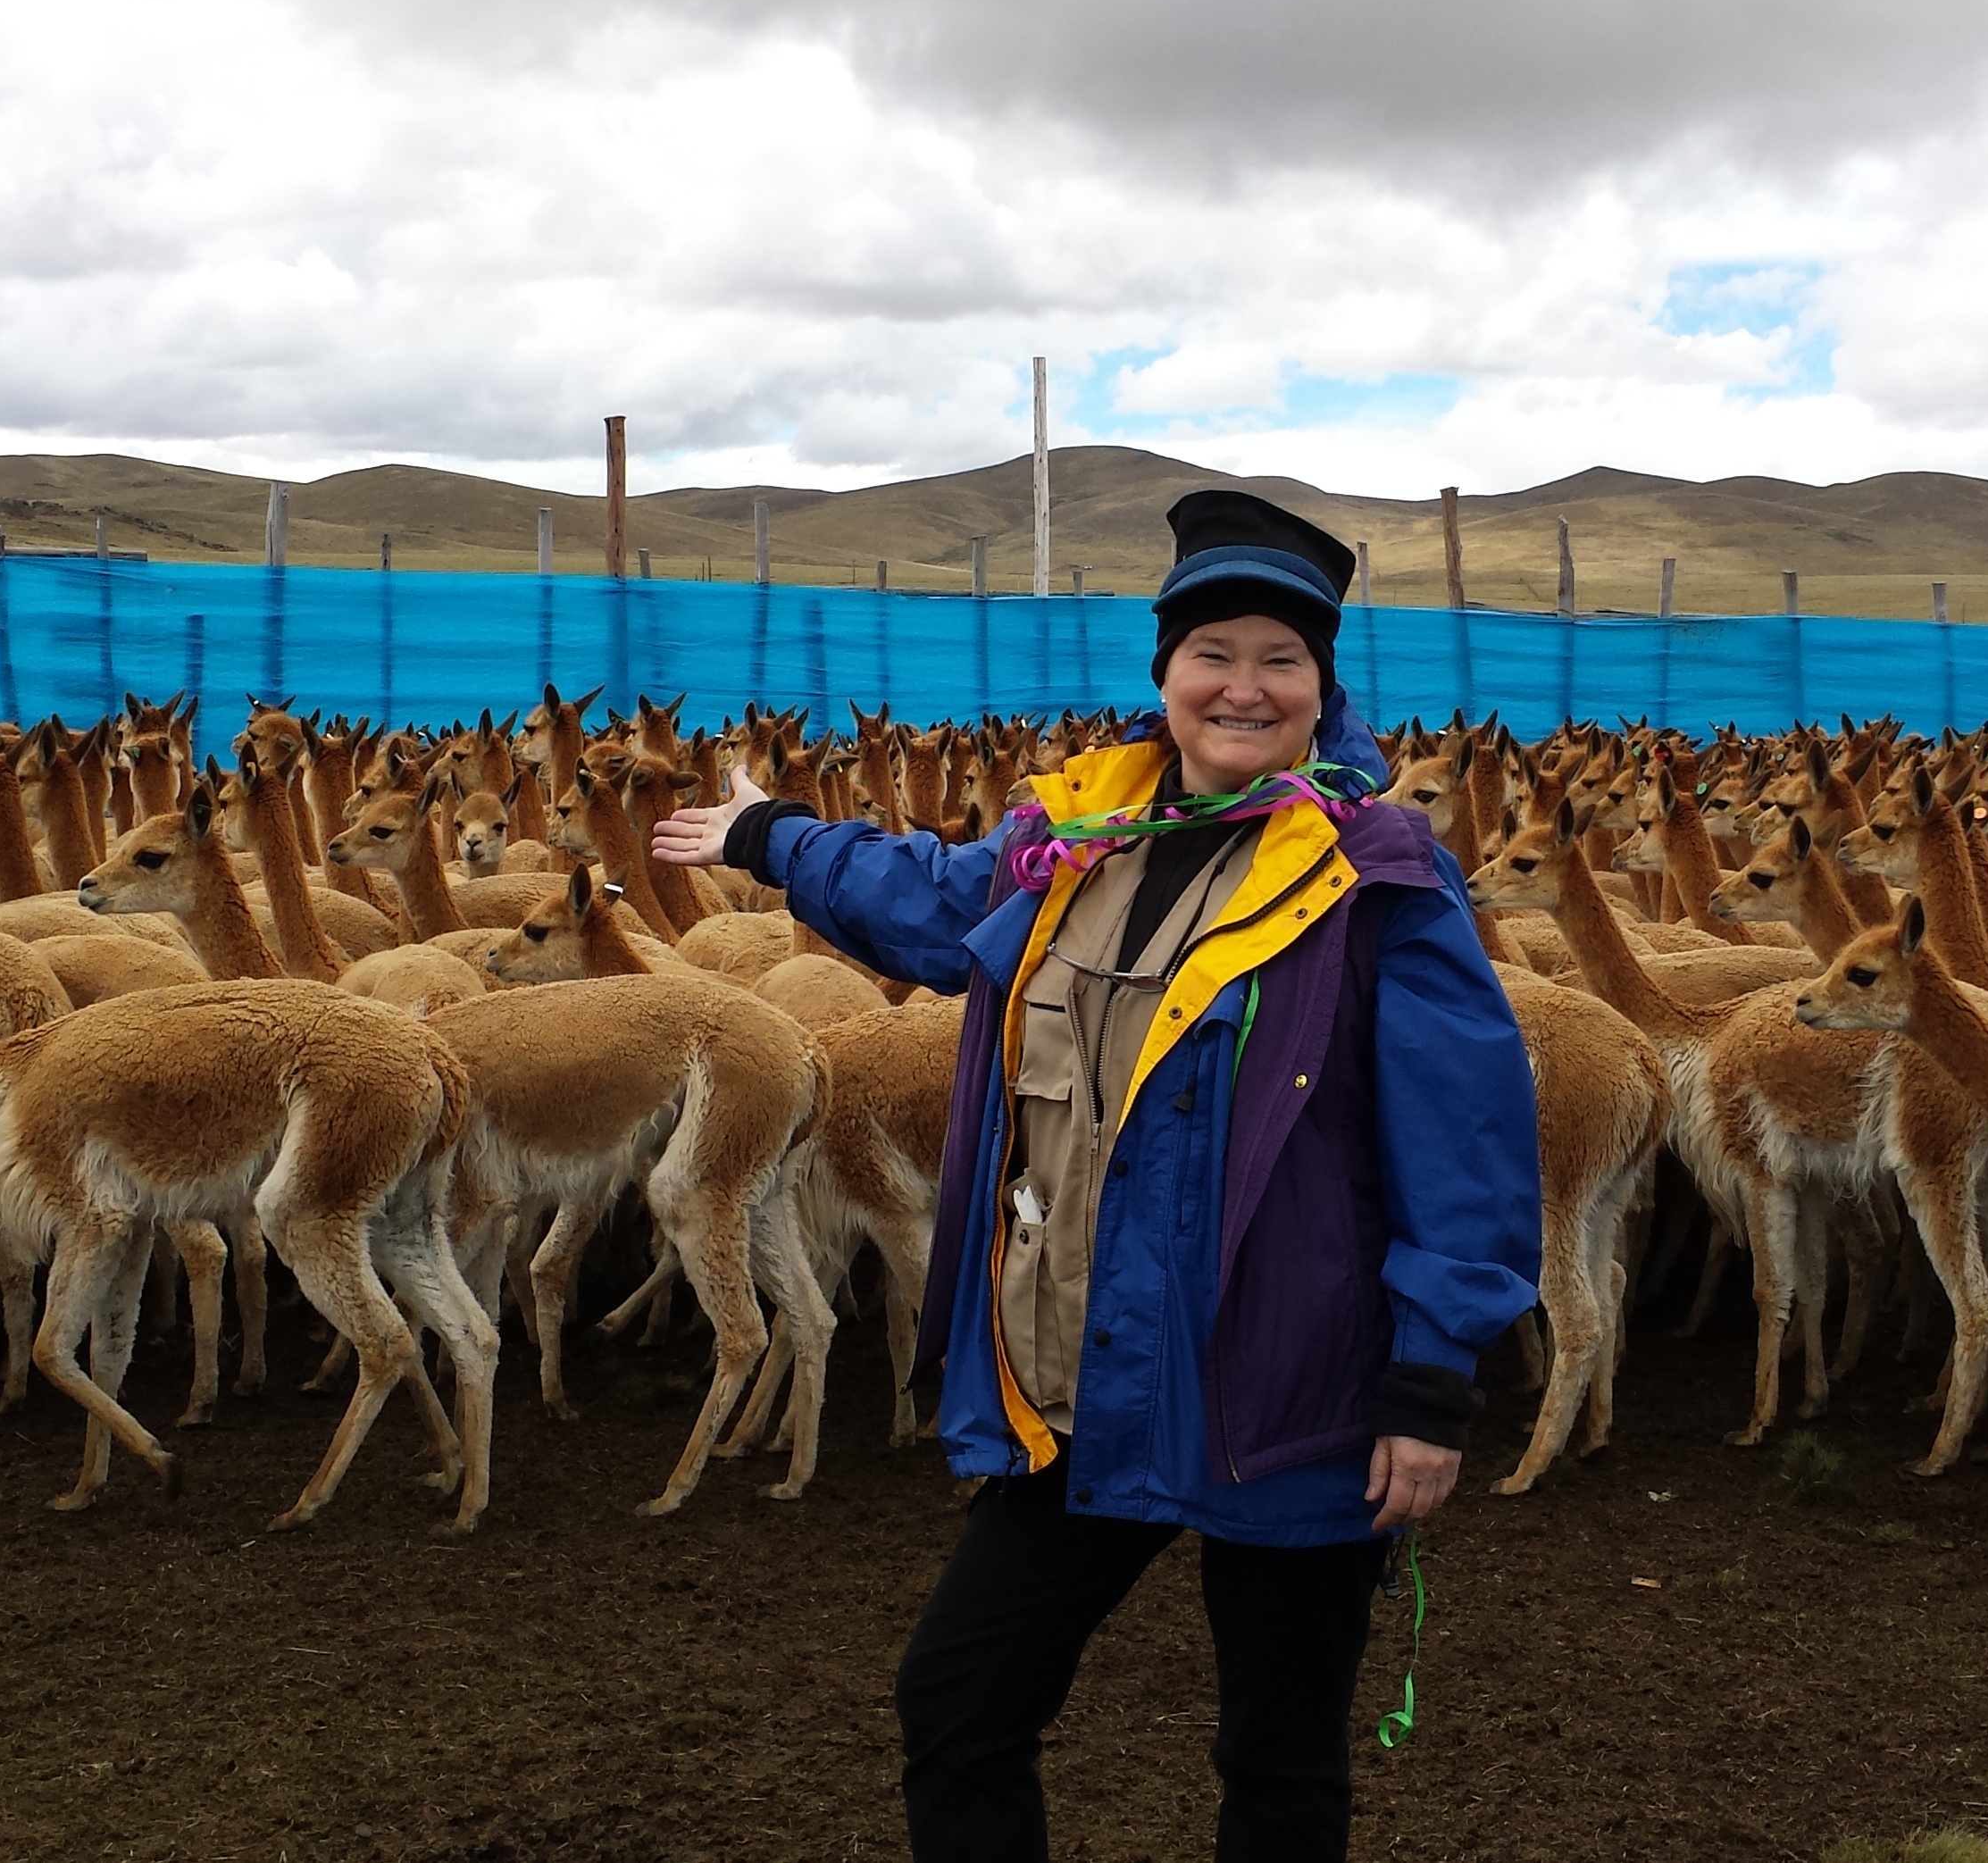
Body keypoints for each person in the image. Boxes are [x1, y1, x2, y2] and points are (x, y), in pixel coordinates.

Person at [653, 489, 1541, 1863]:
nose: (1243, 686)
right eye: (1215, 653)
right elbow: (938, 906)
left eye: (1280, 659)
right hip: (1088, 1372)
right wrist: (775, 834)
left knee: (1280, 1758)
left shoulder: (1380, 876)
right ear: (1166, 673)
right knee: (958, 1696)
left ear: (1323, 683)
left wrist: (1433, 1381)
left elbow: (1465, 1132)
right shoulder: (1079, 840)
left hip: (1291, 1388)